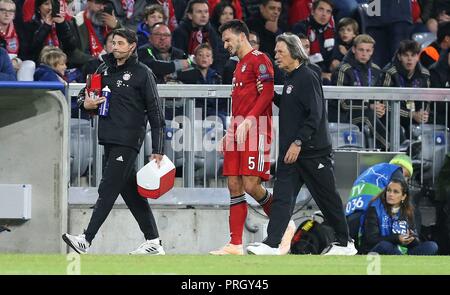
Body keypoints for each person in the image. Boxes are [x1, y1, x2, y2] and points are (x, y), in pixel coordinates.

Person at [247, 33, 356, 255]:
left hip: (312, 152)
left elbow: (315, 114)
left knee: (327, 199)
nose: (276, 56)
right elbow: (292, 106)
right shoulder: (290, 79)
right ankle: (272, 243)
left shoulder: (307, 76)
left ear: (294, 53)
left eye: (280, 51)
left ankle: (346, 243)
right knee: (282, 198)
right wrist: (269, 95)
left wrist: (298, 141)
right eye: (276, 52)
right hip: (291, 153)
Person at [62, 28, 166, 255]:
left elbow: (156, 113)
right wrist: (85, 104)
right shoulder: (103, 68)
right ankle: (154, 242)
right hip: (108, 138)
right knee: (129, 191)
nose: (115, 47)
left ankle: (86, 240)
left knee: (108, 186)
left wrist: (158, 149)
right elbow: (85, 94)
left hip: (128, 139)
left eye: (120, 43)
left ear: (132, 46)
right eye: (113, 42)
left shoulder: (142, 73)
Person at [209, 20, 295, 255]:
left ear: (241, 36)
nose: (225, 44)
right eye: (224, 40)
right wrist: (229, 132)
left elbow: (267, 93)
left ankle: (285, 223)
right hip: (238, 129)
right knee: (234, 184)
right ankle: (235, 243)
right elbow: (240, 103)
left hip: (257, 129)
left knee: (251, 184)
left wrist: (249, 120)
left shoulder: (260, 59)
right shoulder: (238, 66)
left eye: (228, 39)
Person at [331, 34, 387, 149]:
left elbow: (378, 96)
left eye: (367, 50)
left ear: (372, 51)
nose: (364, 53)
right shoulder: (343, 69)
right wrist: (369, 107)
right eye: (361, 50)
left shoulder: (376, 70)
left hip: (368, 112)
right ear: (353, 49)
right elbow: (343, 103)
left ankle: (404, 146)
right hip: (345, 115)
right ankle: (390, 147)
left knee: (391, 116)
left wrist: (380, 107)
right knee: (368, 115)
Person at [359, 178, 438, 255]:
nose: (390, 194)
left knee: (432, 246)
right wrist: (397, 239)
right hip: (378, 249)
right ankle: (405, 261)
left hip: (403, 251)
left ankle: (403, 260)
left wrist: (411, 239)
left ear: (403, 196)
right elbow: (371, 239)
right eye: (389, 190)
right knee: (385, 245)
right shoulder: (374, 209)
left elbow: (415, 243)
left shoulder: (408, 211)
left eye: (395, 192)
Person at [345, 154, 413, 240]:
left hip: (349, 218)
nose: (405, 179)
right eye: (406, 176)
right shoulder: (396, 170)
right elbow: (406, 197)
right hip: (366, 217)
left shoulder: (369, 172)